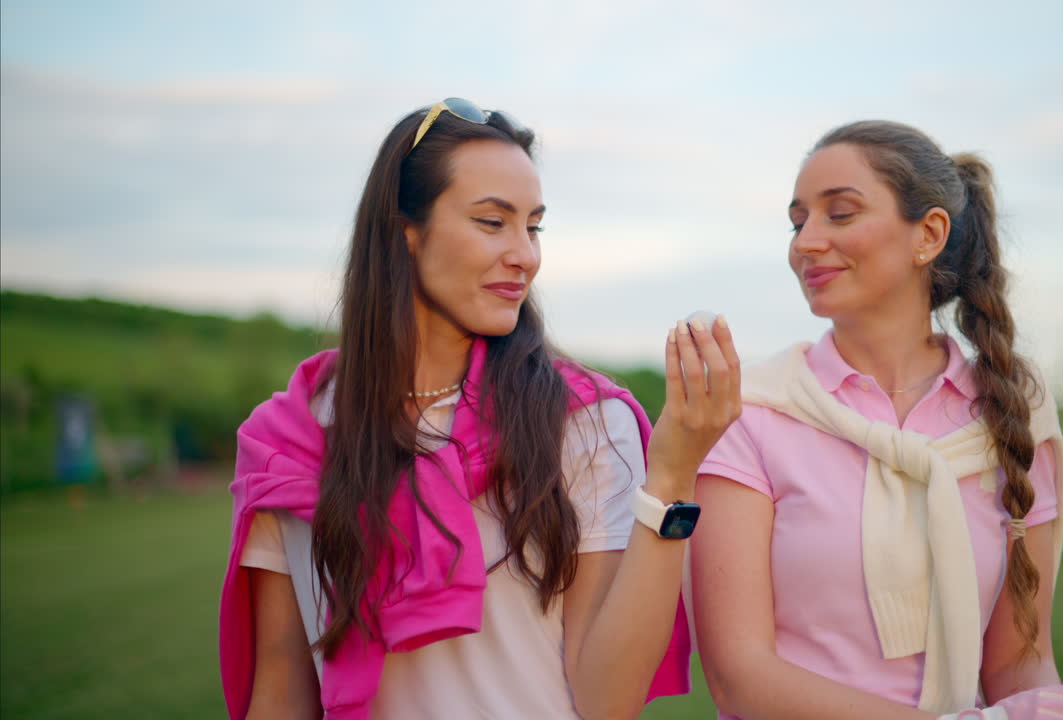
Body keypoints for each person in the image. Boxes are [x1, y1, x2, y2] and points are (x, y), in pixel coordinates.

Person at [218, 99, 741, 720]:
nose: (525, 254)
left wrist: (673, 477)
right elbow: (282, 683)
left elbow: (608, 700)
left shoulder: (586, 423)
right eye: (493, 222)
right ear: (404, 230)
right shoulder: (293, 439)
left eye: (534, 226)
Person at [689, 121, 1063, 720]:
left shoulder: (1012, 410)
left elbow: (1017, 662)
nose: (805, 241)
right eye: (797, 220)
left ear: (929, 234)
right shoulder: (750, 412)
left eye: (840, 213)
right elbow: (740, 677)